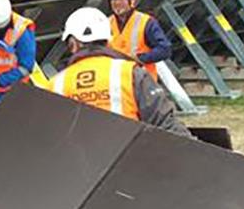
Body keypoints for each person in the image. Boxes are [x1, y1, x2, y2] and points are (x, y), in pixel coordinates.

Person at [49, 7, 189, 135]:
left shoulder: (55, 84)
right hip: (129, 158)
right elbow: (165, 123)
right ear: (108, 41)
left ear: (72, 44)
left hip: (79, 161)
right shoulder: (131, 74)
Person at [106, 0, 171, 79]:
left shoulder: (146, 22)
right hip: (117, 85)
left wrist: (141, 58)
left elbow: (165, 49)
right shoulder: (106, 24)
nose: (117, 2)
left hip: (143, 84)